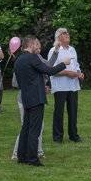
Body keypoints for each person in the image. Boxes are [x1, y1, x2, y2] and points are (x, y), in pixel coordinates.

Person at [13, 36, 68, 166]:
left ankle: (22, 156)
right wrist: (63, 63)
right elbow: (49, 70)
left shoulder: (18, 60)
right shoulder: (32, 58)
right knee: (34, 130)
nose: (38, 46)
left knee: (26, 128)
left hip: (26, 98)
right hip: (36, 98)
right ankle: (32, 159)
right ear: (30, 44)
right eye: (36, 43)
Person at [48, 27, 83, 143]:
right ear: (58, 37)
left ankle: (74, 135)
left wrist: (79, 73)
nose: (67, 34)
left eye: (67, 32)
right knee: (59, 111)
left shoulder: (72, 49)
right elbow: (51, 69)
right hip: (60, 85)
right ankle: (57, 137)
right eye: (64, 33)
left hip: (73, 85)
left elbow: (76, 65)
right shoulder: (54, 50)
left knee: (73, 111)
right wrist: (67, 73)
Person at [9, 69, 44, 160]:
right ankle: (16, 153)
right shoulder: (22, 63)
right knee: (26, 126)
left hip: (35, 98)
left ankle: (38, 151)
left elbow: (49, 67)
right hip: (25, 99)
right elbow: (15, 83)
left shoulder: (38, 60)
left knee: (39, 125)